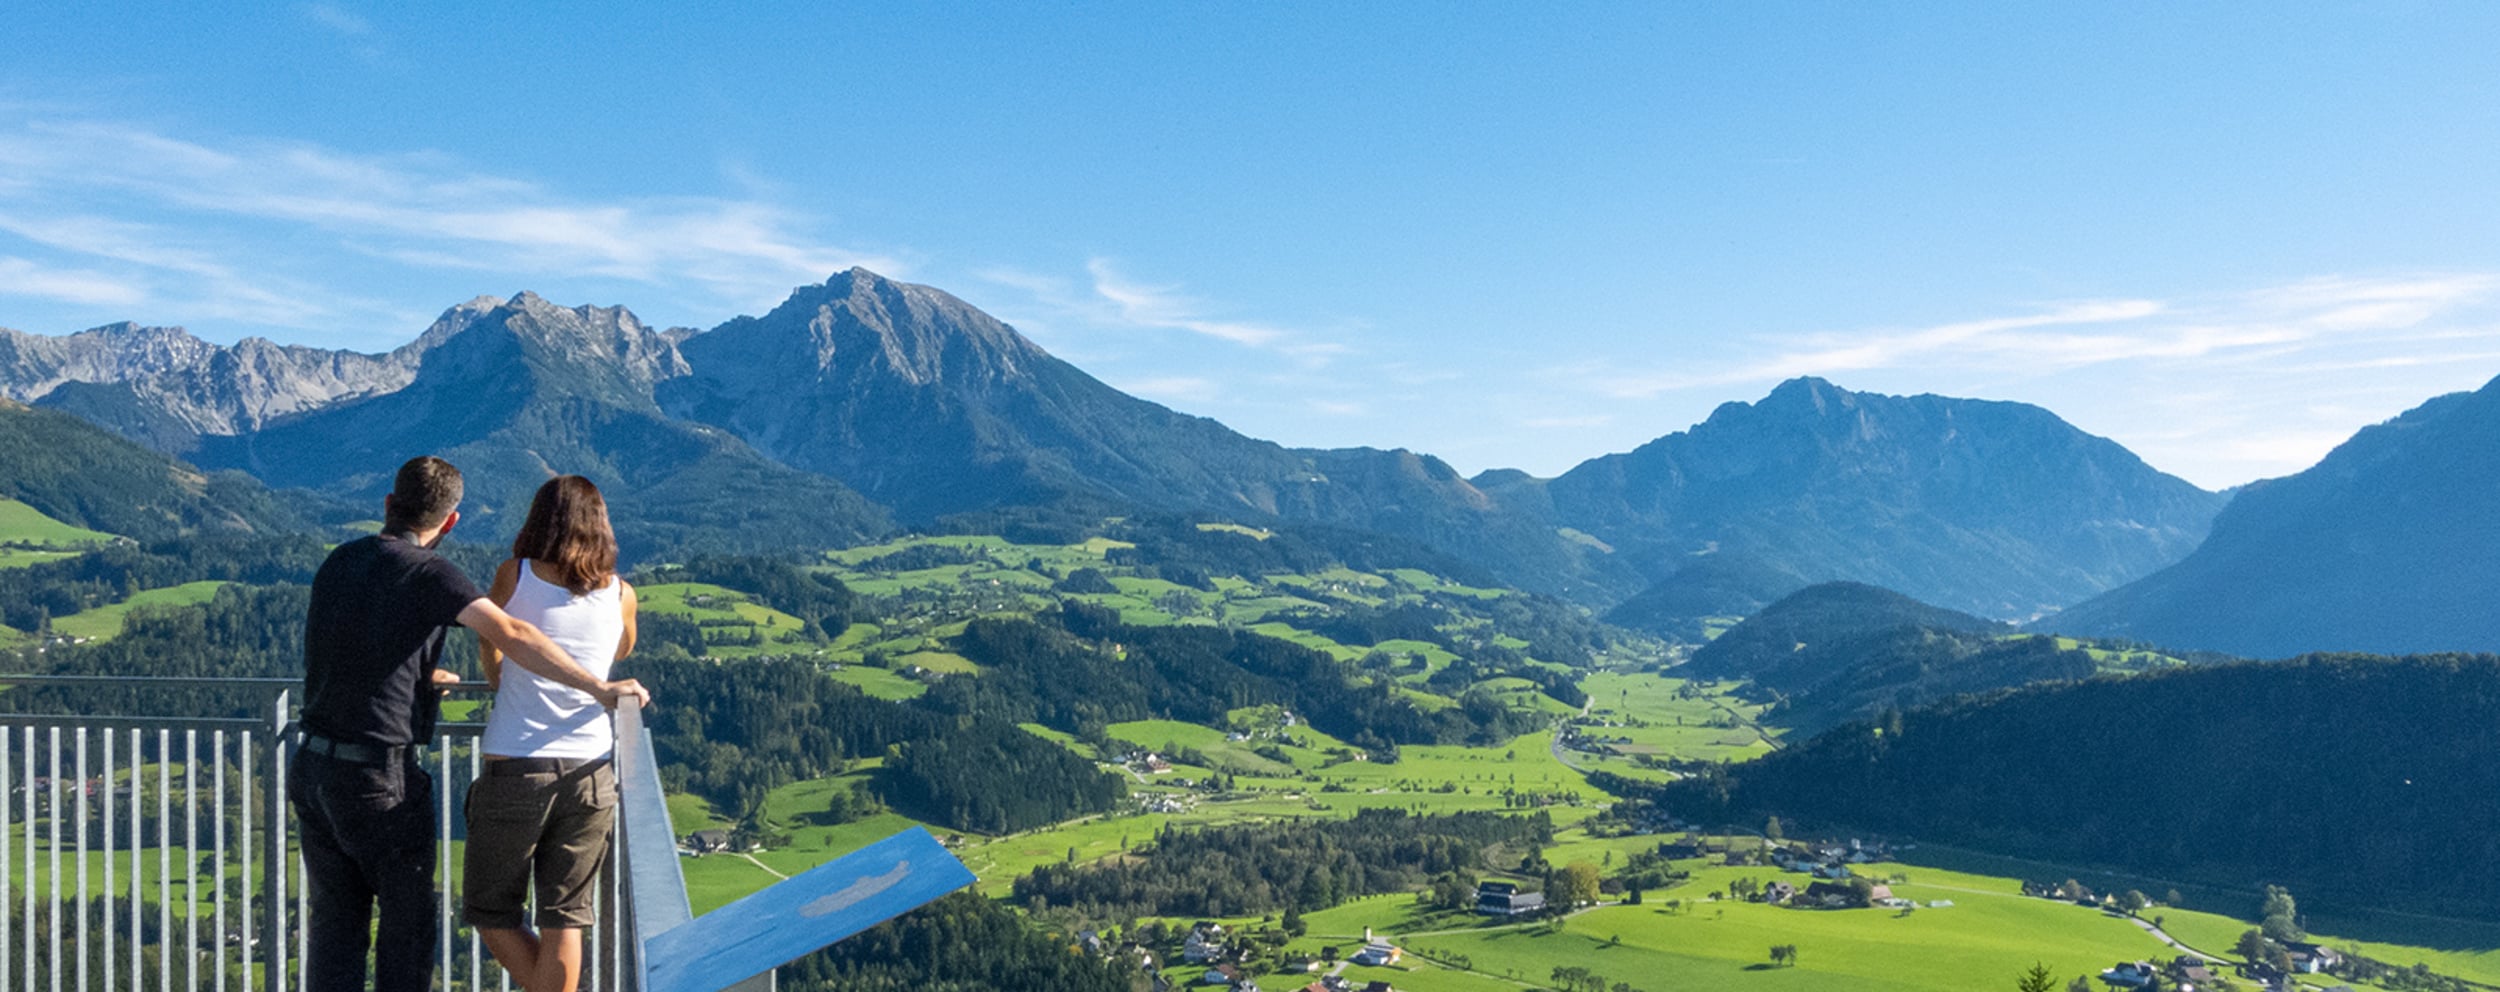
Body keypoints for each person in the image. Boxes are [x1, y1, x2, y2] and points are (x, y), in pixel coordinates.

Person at [294, 457, 648, 992]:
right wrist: (597, 688)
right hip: (380, 776)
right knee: (409, 923)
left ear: (389, 505)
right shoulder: (431, 572)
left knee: (336, 921)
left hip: (314, 766)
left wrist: (418, 676)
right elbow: (510, 632)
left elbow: (344, 645)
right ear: (452, 520)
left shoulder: (342, 560)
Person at [465, 475, 638, 992]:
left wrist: (500, 677)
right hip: (591, 770)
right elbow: (623, 649)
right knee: (567, 915)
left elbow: (493, 637)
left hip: (517, 766)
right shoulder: (623, 593)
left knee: (491, 909)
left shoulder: (514, 576)